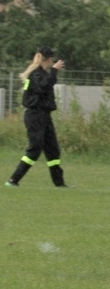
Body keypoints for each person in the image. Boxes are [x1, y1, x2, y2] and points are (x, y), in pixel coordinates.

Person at [4, 46, 68, 188]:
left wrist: (52, 72)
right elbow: (43, 86)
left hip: (44, 115)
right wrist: (55, 70)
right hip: (35, 115)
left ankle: (59, 184)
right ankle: (13, 180)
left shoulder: (41, 73)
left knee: (53, 149)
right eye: (52, 60)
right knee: (35, 149)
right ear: (49, 59)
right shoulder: (36, 74)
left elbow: (47, 84)